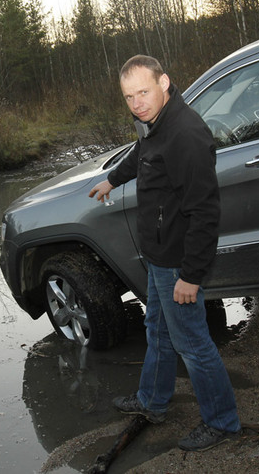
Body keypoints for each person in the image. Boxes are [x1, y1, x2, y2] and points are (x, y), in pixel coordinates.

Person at [88, 55, 241, 452]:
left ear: (165, 83)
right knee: (156, 331)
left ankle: (222, 422)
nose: (137, 102)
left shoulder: (185, 135)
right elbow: (141, 155)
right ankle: (153, 401)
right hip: (158, 256)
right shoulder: (156, 124)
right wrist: (111, 179)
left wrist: (191, 275)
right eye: (129, 96)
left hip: (177, 262)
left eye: (143, 91)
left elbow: (205, 214)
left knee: (193, 343)